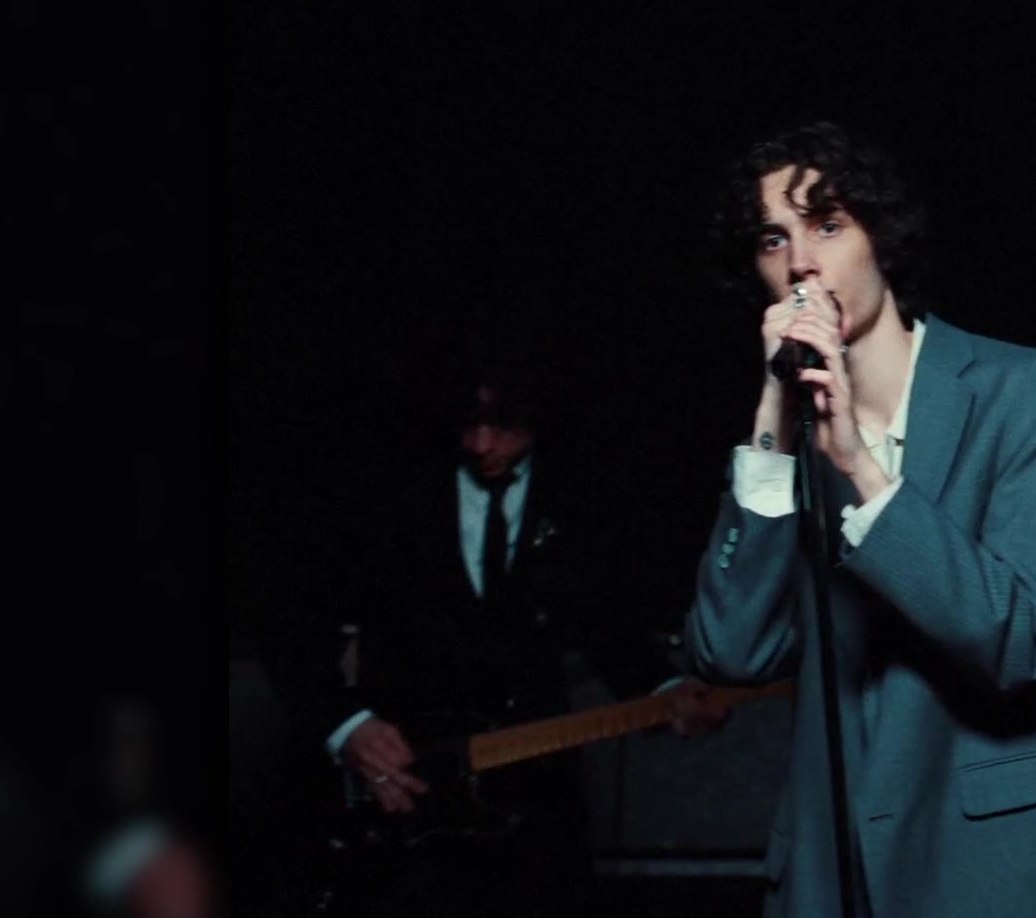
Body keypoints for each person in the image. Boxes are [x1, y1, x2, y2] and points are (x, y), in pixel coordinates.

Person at [681, 121, 1036, 916]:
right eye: (773, 240)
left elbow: (1015, 641)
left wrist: (859, 464)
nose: (801, 262)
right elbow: (732, 652)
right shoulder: (786, 449)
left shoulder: (1020, 388)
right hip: (834, 872)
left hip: (999, 868)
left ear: (879, 235)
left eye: (826, 225)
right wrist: (772, 417)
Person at [272, 332, 729, 917]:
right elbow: (291, 619)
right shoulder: (382, 490)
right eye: (468, 424)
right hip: (405, 794)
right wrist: (346, 726)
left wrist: (664, 689)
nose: (482, 444)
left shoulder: (583, 494)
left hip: (535, 800)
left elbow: (607, 622)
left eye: (504, 426)